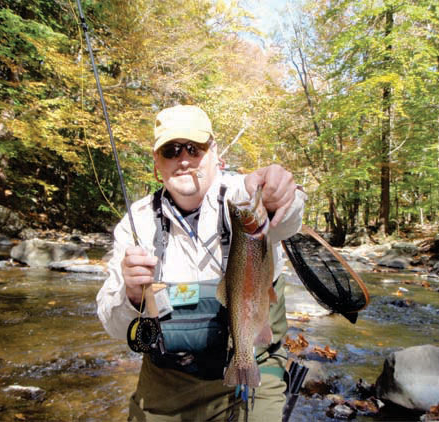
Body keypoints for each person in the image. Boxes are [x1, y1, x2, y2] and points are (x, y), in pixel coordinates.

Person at [96, 105, 306, 422]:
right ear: (157, 163)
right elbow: (112, 325)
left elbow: (287, 219)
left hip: (250, 369)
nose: (183, 159)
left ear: (214, 154)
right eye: (171, 150)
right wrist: (132, 297)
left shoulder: (242, 196)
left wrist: (280, 194)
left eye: (194, 148)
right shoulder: (136, 223)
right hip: (166, 382)